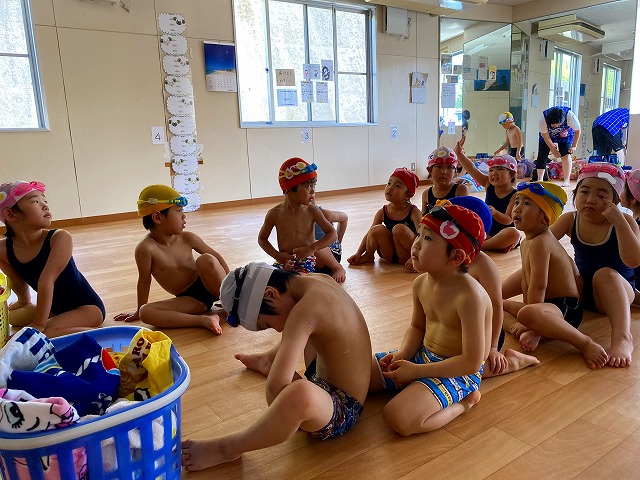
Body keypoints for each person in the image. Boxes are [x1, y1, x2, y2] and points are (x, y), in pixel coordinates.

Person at [181, 262, 372, 470]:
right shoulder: (316, 280)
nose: (278, 330)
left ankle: (227, 448)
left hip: (343, 408)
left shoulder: (307, 309)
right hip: (325, 376)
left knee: (299, 395)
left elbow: (276, 390)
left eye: (268, 324)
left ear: (270, 294)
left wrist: (286, 416)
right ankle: (268, 359)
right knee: (303, 330)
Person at [369, 202, 491, 436]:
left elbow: (472, 362)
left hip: (458, 372)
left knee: (398, 417)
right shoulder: (420, 283)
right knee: (359, 373)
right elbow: (417, 327)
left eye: (427, 239)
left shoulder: (470, 298)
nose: (415, 244)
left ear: (455, 256)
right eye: (418, 234)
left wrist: (416, 372)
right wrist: (403, 354)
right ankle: (417, 387)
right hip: (422, 356)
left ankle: (464, 404)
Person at [502, 181, 611, 369]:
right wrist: (529, 320)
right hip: (543, 308)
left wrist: (530, 320)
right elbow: (527, 281)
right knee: (494, 303)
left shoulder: (541, 242)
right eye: (517, 202)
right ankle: (524, 330)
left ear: (545, 218)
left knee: (528, 312)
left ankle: (584, 342)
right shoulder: (528, 241)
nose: (517, 208)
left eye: (527, 204)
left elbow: (538, 286)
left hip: (565, 309)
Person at [551, 163, 640, 367]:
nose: (591, 199)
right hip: (581, 293)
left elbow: (634, 261)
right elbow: (540, 244)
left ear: (616, 201)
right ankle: (499, 295)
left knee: (605, 274)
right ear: (575, 194)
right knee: (561, 263)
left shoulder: (626, 221)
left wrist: (620, 223)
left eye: (601, 195)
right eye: (584, 192)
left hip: (616, 290)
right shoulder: (570, 219)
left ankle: (622, 337)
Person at [114, 185, 229, 334]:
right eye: (178, 210)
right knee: (145, 312)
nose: (184, 216)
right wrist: (138, 310)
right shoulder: (146, 249)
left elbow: (217, 258)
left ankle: (232, 303)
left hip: (210, 283)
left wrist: (232, 288)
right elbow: (144, 280)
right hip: (191, 300)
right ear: (157, 217)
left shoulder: (188, 238)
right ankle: (204, 320)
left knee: (206, 259)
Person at [449, 196, 539, 377]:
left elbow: (496, 307)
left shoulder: (483, 265)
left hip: (483, 332)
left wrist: (492, 346)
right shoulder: (443, 261)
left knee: (461, 369)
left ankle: (513, 362)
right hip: (451, 326)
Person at [0, 181, 104, 337]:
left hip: (87, 309)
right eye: (36, 201)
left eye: (45, 201)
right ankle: (55, 324)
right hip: (53, 310)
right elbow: (17, 281)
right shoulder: (3, 249)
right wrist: (23, 302)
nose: (45, 206)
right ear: (10, 214)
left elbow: (46, 281)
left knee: (39, 334)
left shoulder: (60, 238)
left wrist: (38, 325)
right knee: (12, 318)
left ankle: (103, 336)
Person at [258, 157, 343, 281]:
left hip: (307, 260)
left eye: (314, 185)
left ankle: (337, 267)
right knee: (268, 280)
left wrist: (311, 248)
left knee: (297, 280)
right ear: (289, 190)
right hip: (285, 261)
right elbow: (262, 239)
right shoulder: (274, 214)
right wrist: (277, 255)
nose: (313, 190)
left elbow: (332, 234)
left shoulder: (312, 210)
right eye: (308, 186)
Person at [454, 136, 521, 252]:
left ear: (511, 174)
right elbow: (472, 169)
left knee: (514, 233)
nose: (494, 172)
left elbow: (508, 220)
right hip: (487, 232)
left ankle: (480, 246)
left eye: (499, 169)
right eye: (491, 170)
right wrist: (459, 154)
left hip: (504, 233)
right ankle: (488, 243)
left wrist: (494, 213)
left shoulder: (515, 195)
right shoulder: (488, 184)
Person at [348, 167, 421, 270]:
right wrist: (359, 253)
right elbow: (369, 234)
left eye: (397, 186)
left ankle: (415, 258)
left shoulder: (414, 212)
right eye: (389, 183)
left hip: (407, 254)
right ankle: (369, 256)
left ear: (408, 195)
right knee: (376, 229)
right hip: (388, 254)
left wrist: (417, 257)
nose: (390, 188)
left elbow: (423, 236)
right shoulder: (382, 211)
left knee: (399, 229)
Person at [535, 106, 581, 187]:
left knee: (565, 154)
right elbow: (546, 137)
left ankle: (566, 180)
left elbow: (577, 131)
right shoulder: (543, 120)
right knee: (542, 155)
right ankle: (540, 179)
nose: (556, 127)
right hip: (548, 135)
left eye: (558, 125)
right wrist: (554, 150)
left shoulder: (570, 117)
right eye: (553, 125)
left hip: (565, 135)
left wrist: (574, 146)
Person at [421, 146, 469, 214]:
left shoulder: (460, 190)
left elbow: (466, 216)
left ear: (454, 172)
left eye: (449, 167)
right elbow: (423, 218)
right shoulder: (426, 194)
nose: (444, 172)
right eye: (439, 167)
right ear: (429, 170)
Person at [313, 204, 348, 283]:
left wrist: (338, 242)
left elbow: (344, 218)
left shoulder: (323, 213)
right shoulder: (290, 217)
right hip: (309, 260)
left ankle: (337, 268)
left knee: (313, 244)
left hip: (329, 255)